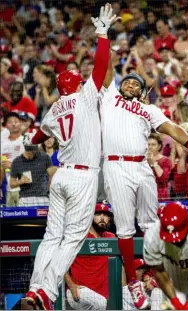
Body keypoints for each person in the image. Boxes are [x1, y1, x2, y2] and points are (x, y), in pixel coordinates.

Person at [99, 54, 188, 309]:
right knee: (125, 229)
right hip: (116, 165)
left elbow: (173, 129)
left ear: (142, 92)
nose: (129, 85)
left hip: (142, 165)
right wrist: (104, 38)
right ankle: (134, 284)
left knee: (151, 224)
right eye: (126, 82)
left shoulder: (148, 109)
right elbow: (105, 72)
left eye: (135, 84)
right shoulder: (110, 98)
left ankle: (160, 273)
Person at [24, 4, 117, 310]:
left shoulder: (53, 109)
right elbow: (101, 69)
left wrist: (30, 139)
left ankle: (33, 288)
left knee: (52, 236)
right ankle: (46, 294)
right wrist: (102, 35)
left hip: (61, 175)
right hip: (81, 177)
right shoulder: (84, 97)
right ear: (76, 85)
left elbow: (38, 137)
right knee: (72, 240)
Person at [65, 203, 115, 310]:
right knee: (101, 303)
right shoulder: (79, 236)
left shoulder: (111, 237)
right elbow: (60, 263)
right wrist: (71, 285)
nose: (102, 218)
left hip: (102, 294)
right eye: (98, 214)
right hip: (79, 290)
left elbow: (120, 266)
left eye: (105, 215)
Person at [1, 112, 25, 206]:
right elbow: (2, 168)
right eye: (10, 122)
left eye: (16, 121)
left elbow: (32, 165)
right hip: (8, 189)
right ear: (6, 125)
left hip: (24, 189)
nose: (14, 124)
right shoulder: (3, 144)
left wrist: (12, 165)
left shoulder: (26, 141)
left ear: (21, 123)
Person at [147, 133, 172, 200]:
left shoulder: (166, 160)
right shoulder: (142, 161)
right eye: (148, 144)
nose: (150, 147)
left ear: (159, 146)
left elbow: (163, 179)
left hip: (160, 197)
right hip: (146, 194)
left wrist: (154, 162)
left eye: (153, 144)